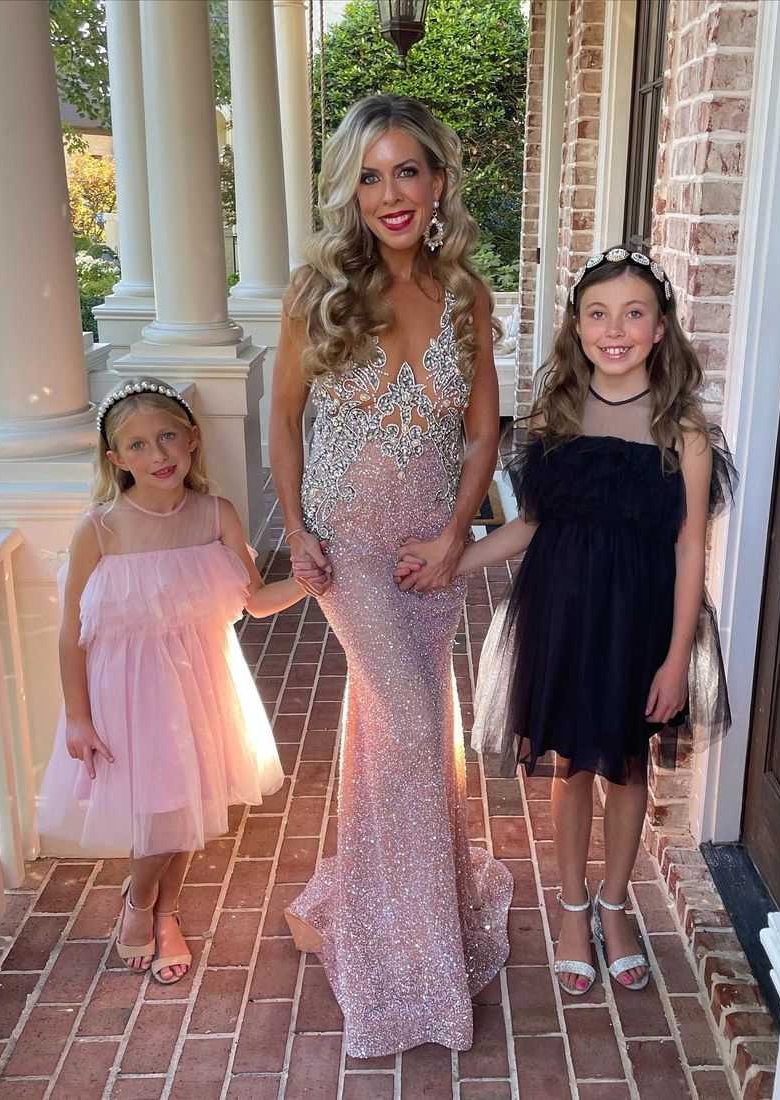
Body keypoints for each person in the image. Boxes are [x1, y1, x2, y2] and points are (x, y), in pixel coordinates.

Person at [401, 247, 733, 997]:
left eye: (634, 314)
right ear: (577, 328)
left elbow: (689, 548)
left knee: (629, 766)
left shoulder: (683, 430)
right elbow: (529, 527)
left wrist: (676, 657)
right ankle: (574, 908)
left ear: (660, 328)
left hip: (640, 623)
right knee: (573, 765)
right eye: (598, 314)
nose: (615, 329)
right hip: (564, 615)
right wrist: (453, 558)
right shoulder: (555, 417)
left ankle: (616, 904)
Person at [269, 94, 513, 1057]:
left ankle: (409, 911)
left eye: (407, 170)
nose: (390, 193)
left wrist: (456, 534)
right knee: (412, 727)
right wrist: (295, 528)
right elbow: (285, 419)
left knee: (402, 728)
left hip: (426, 550)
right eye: (369, 177)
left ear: (439, 180)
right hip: (350, 548)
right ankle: (402, 958)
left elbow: (483, 432)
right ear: (350, 192)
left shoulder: (466, 296)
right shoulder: (317, 291)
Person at [37, 376, 302, 985]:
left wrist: (312, 582)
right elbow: (71, 631)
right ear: (115, 459)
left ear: (192, 439)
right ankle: (140, 901)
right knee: (162, 810)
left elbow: (256, 601)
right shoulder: (100, 529)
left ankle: (164, 913)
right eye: (137, 445)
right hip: (128, 690)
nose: (157, 455)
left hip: (200, 678)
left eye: (167, 437)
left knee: (187, 802)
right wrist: (77, 715)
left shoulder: (215, 515)